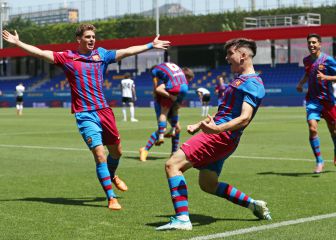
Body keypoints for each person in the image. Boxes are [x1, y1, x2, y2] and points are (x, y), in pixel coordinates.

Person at [2, 24, 170, 210]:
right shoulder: (68, 57)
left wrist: (150, 45)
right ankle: (111, 198)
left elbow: (127, 51)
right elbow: (41, 53)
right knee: (100, 156)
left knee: (117, 152)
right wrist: (18, 43)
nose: (92, 39)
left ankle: (112, 175)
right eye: (88, 37)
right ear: (79, 39)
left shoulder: (102, 55)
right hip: (85, 114)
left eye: (93, 37)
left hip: (104, 112)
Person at [156, 38, 271, 231]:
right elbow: (225, 113)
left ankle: (183, 219)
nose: (227, 58)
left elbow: (244, 118)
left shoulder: (253, 83)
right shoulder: (240, 80)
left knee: (172, 164)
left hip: (220, 136)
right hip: (223, 138)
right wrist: (201, 124)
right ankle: (253, 204)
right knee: (208, 185)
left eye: (230, 54)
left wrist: (216, 129)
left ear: (243, 55)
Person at [296, 33, 336, 173]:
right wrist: (301, 83)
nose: (311, 45)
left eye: (314, 42)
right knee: (312, 128)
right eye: (309, 42)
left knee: (334, 131)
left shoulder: (328, 60)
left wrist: (326, 77)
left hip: (327, 101)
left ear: (320, 44)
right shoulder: (306, 60)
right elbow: (308, 73)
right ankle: (319, 161)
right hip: (312, 100)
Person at [151, 62, 194, 145]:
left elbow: (156, 88)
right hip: (184, 87)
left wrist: (170, 96)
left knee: (163, 113)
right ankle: (173, 130)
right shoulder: (172, 68)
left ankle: (161, 136)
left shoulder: (155, 71)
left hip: (174, 87)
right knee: (176, 109)